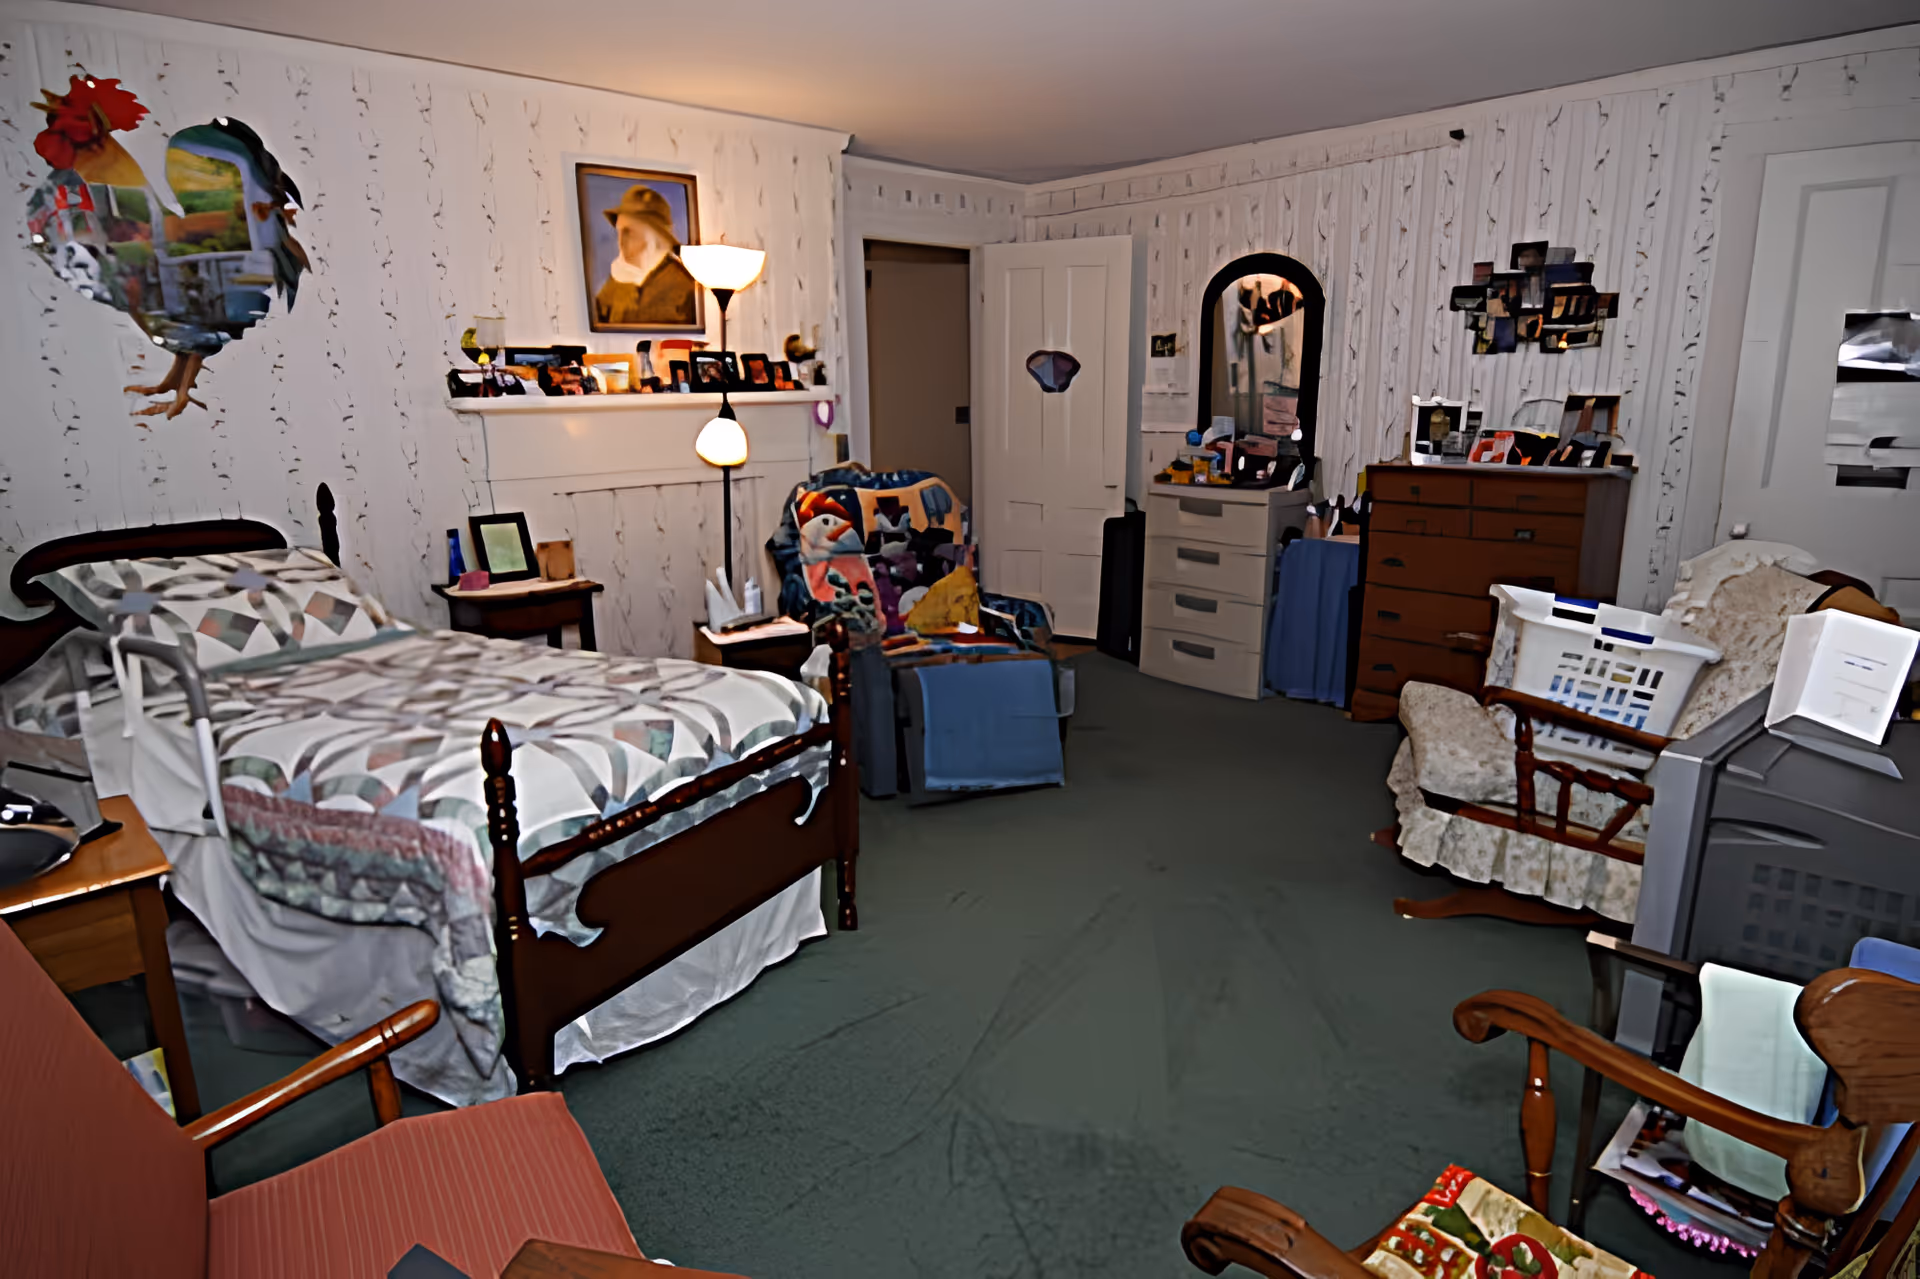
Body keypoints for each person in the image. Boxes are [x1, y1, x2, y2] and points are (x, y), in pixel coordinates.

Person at [593, 185, 697, 327]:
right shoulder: (614, 284)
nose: (620, 241)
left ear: (653, 236)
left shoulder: (684, 285)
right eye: (619, 232)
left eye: (628, 232)